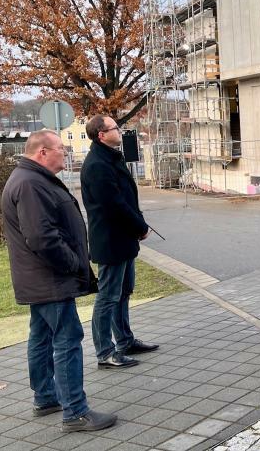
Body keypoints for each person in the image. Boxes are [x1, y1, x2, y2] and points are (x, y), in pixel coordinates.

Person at [0, 130, 117, 432]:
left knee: (41, 337)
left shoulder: (31, 179)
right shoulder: (29, 183)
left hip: (39, 279)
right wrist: (73, 263)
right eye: (61, 149)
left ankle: (46, 397)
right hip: (49, 278)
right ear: (42, 152)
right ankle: (75, 412)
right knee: (67, 339)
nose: (65, 153)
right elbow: (41, 237)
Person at [81, 115, 157, 369]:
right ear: (101, 134)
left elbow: (127, 198)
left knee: (123, 293)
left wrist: (138, 224)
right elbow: (113, 205)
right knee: (108, 297)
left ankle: (125, 340)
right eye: (115, 128)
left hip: (123, 238)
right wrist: (139, 226)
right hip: (111, 240)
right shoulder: (97, 165)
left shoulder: (111, 157)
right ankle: (105, 352)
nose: (119, 130)